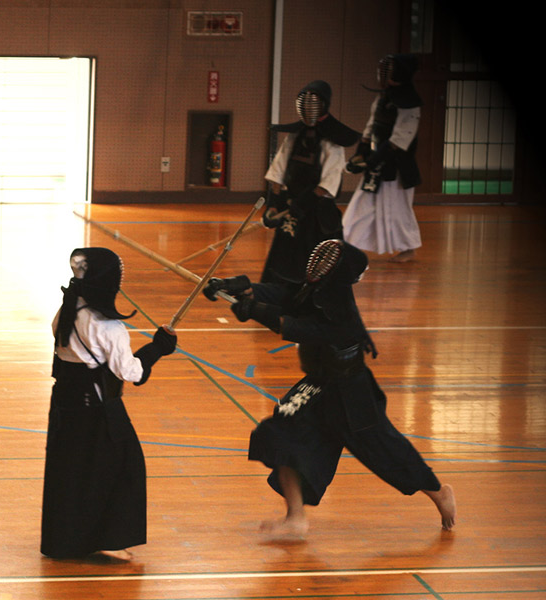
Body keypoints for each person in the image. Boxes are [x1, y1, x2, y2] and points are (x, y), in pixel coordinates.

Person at [203, 240, 455, 538]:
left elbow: (298, 326)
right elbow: (287, 295)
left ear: (337, 272)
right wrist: (240, 289)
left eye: (327, 262)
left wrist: (254, 310)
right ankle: (295, 519)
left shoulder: (341, 312)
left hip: (351, 392)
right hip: (319, 385)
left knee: (384, 452)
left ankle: (439, 494)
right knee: (282, 433)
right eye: (320, 257)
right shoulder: (318, 290)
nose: (317, 263)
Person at [41, 247, 177, 561]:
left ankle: (65, 540)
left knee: (71, 471)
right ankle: (110, 538)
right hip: (97, 409)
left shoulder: (66, 311)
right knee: (125, 466)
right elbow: (132, 372)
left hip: (64, 404)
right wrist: (158, 349)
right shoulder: (107, 326)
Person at [261, 80, 361, 287]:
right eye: (303, 104)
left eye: (312, 104)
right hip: (292, 211)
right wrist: (274, 204)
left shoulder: (332, 142)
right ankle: (276, 300)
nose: (307, 109)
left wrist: (301, 205)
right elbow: (278, 171)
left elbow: (327, 184)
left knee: (320, 267)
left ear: (322, 106)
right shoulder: (294, 136)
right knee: (283, 260)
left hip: (318, 214)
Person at [342, 54, 423, 263]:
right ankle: (346, 244)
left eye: (389, 71)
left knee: (398, 208)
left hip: (396, 166)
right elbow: (371, 126)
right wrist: (360, 152)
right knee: (363, 202)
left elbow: (398, 140)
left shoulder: (410, 104)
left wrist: (372, 161)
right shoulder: (383, 97)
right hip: (377, 161)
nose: (383, 75)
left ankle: (408, 248)